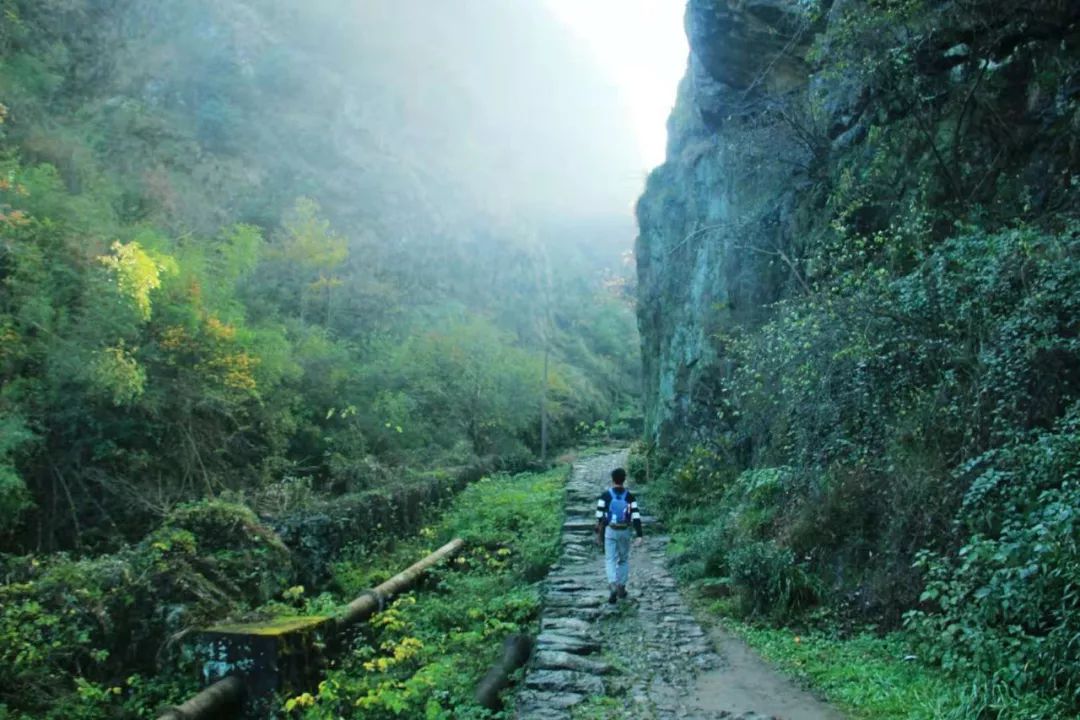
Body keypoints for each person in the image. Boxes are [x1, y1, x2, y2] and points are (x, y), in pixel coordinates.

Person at [595, 467, 643, 604]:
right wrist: (639, 535)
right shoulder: (630, 496)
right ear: (624, 479)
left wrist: (598, 532)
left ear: (612, 479)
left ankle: (612, 585)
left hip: (610, 530)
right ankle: (621, 587)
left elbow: (599, 516)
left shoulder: (605, 495)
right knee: (623, 559)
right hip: (625, 531)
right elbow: (636, 517)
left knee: (610, 559)